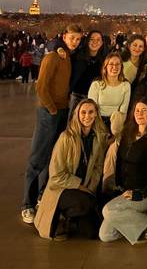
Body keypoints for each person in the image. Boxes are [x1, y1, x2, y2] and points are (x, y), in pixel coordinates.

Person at [22, 24, 83, 224]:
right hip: (50, 112)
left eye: (78, 39)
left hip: (61, 110)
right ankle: (27, 204)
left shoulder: (67, 56)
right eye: (72, 38)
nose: (75, 42)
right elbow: (41, 86)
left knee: (51, 158)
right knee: (38, 158)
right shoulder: (53, 57)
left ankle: (41, 196)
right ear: (64, 37)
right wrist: (52, 109)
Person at [34, 99, 107, 240]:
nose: (87, 116)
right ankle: (60, 216)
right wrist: (80, 187)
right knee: (88, 203)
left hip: (83, 190)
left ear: (96, 114)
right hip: (60, 189)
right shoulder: (66, 138)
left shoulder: (98, 137)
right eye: (83, 112)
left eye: (91, 112)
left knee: (92, 233)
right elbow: (56, 175)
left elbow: (98, 168)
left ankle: (73, 215)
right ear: (77, 115)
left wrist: (89, 188)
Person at [100, 99, 147, 244]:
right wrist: (119, 186)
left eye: (144, 110)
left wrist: (142, 193)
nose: (140, 114)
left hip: (144, 193)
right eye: (137, 110)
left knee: (107, 211)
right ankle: (135, 220)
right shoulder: (127, 135)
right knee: (106, 235)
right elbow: (119, 164)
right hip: (125, 193)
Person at [88, 53, 131, 136]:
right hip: (97, 121)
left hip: (116, 123)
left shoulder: (126, 85)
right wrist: (99, 127)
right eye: (111, 64)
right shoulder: (97, 84)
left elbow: (123, 111)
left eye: (117, 64)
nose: (114, 67)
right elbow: (92, 108)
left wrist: (115, 130)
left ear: (121, 67)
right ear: (105, 67)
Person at [69, 31, 108, 117]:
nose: (95, 42)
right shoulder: (77, 56)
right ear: (87, 41)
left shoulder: (104, 59)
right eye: (92, 39)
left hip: (94, 98)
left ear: (102, 43)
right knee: (73, 124)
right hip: (77, 96)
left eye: (98, 40)